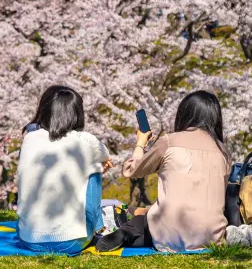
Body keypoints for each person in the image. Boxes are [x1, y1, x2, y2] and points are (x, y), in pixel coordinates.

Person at [96, 90, 229, 253]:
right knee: (149, 216)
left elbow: (131, 170)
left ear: (184, 114)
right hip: (211, 236)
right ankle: (131, 231)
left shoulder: (169, 142)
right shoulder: (223, 152)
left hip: (169, 234)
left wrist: (141, 143)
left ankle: (126, 231)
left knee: (143, 221)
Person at [16, 86, 113, 255]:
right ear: (77, 113)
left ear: (44, 110)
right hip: (71, 242)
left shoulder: (29, 138)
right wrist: (97, 167)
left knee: (91, 165)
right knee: (95, 167)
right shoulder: (86, 140)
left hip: (28, 238)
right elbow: (106, 156)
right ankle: (98, 228)